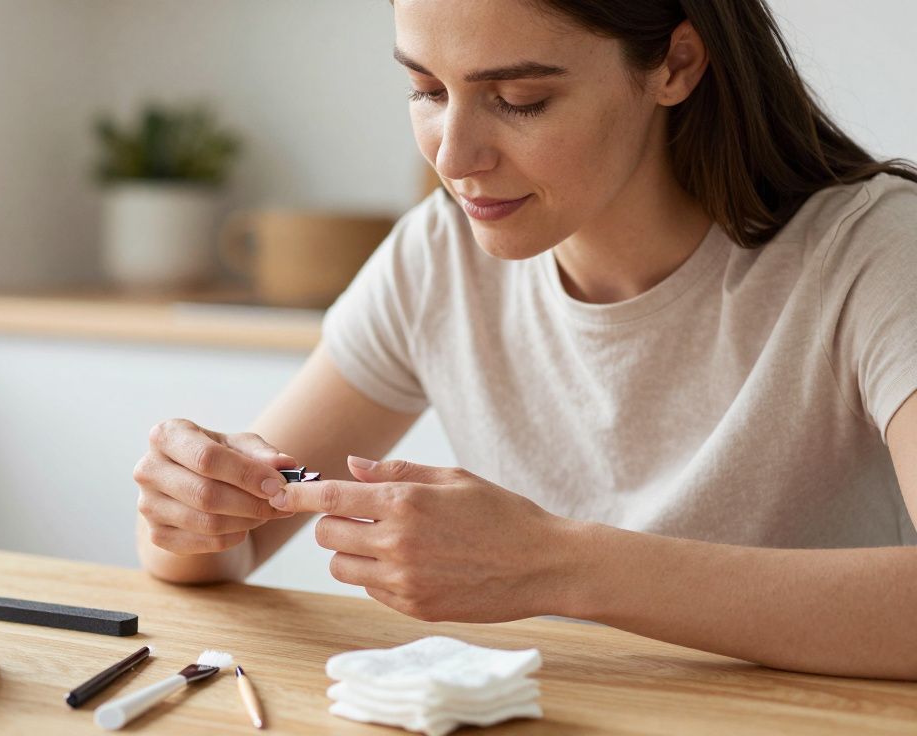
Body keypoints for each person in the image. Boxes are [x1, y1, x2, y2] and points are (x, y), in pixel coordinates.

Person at [132, 0, 917, 680]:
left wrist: (556, 564)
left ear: (676, 64)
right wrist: (192, 506)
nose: (451, 156)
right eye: (426, 89)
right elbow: (222, 550)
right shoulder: (436, 255)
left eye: (518, 98)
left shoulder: (873, 251)